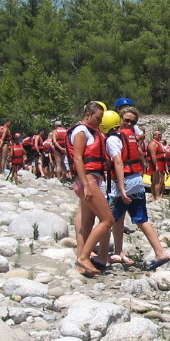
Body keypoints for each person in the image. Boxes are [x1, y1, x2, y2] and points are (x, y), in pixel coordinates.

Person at [106, 111, 170, 270]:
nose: (128, 124)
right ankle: (157, 252)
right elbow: (140, 155)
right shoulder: (132, 138)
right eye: (126, 120)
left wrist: (121, 187)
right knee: (133, 219)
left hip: (125, 183)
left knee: (108, 219)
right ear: (119, 119)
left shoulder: (116, 138)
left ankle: (93, 255)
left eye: (132, 122)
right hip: (136, 182)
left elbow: (119, 163)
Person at [71, 101, 113, 277]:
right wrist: (87, 185)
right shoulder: (81, 132)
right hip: (87, 179)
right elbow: (78, 159)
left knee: (87, 224)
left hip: (89, 179)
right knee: (107, 220)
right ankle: (84, 257)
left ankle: (81, 266)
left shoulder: (90, 131)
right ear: (87, 115)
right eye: (97, 118)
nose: (99, 122)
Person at [148, 130, 169, 201]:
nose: (160, 136)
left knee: (160, 180)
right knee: (158, 180)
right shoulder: (153, 143)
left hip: (162, 164)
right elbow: (153, 155)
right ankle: (156, 196)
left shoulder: (158, 143)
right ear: (154, 135)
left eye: (160, 134)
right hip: (157, 164)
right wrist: (156, 165)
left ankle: (156, 195)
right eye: (158, 135)